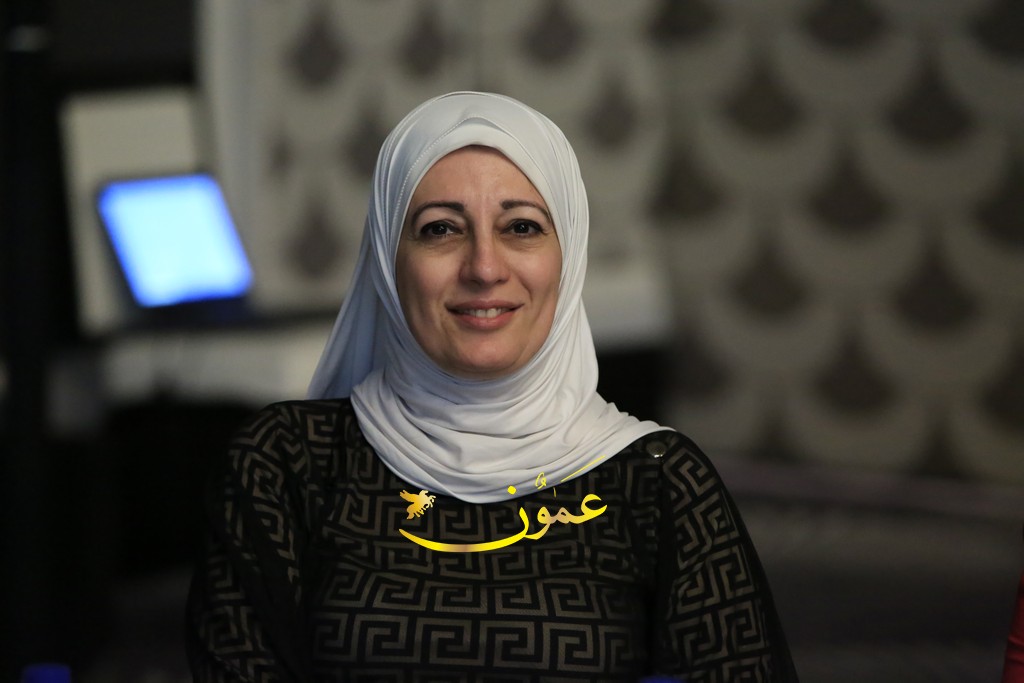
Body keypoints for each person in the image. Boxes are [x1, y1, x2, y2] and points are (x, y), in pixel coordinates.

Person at [186, 91, 798, 681]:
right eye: (440, 230)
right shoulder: (288, 464)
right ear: (388, 260)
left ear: (568, 255)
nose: (484, 267)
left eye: (522, 227)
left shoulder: (660, 482)